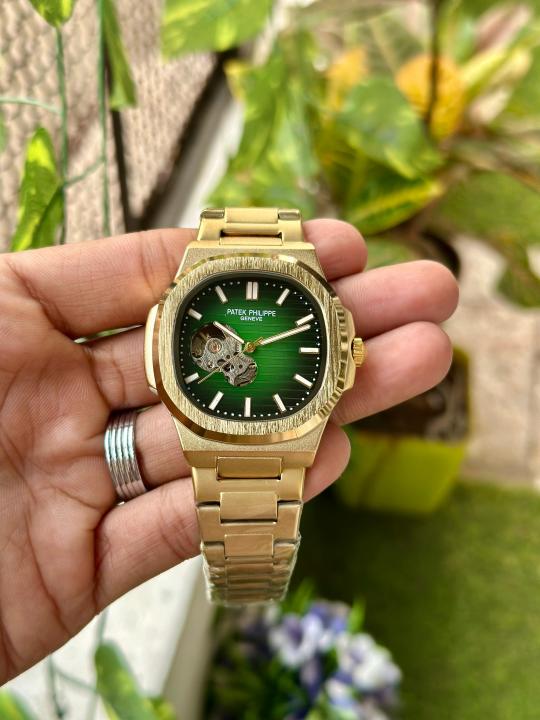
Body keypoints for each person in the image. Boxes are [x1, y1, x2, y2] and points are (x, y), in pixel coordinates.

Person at [0, 220, 458, 684]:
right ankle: (248, 590)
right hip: (227, 423)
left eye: (233, 353)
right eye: (224, 357)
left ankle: (251, 589)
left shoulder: (278, 346)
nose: (240, 357)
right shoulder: (200, 351)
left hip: (278, 424)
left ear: (346, 355)